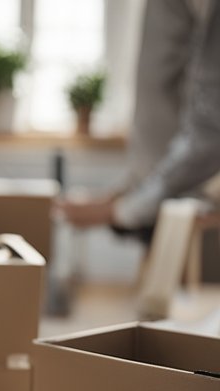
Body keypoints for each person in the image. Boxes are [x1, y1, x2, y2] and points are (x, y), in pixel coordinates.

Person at [59, 0, 220, 231]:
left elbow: (210, 129)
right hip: (157, 193)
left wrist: (127, 209)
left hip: (177, 200)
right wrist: (127, 193)